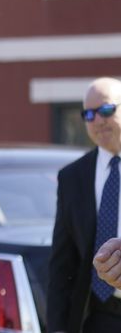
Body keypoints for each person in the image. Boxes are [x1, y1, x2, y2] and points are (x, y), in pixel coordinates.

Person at [48, 77, 121, 332]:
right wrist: (57, 327)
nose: (97, 120)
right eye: (88, 114)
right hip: (97, 315)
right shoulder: (72, 176)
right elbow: (62, 261)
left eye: (106, 110)